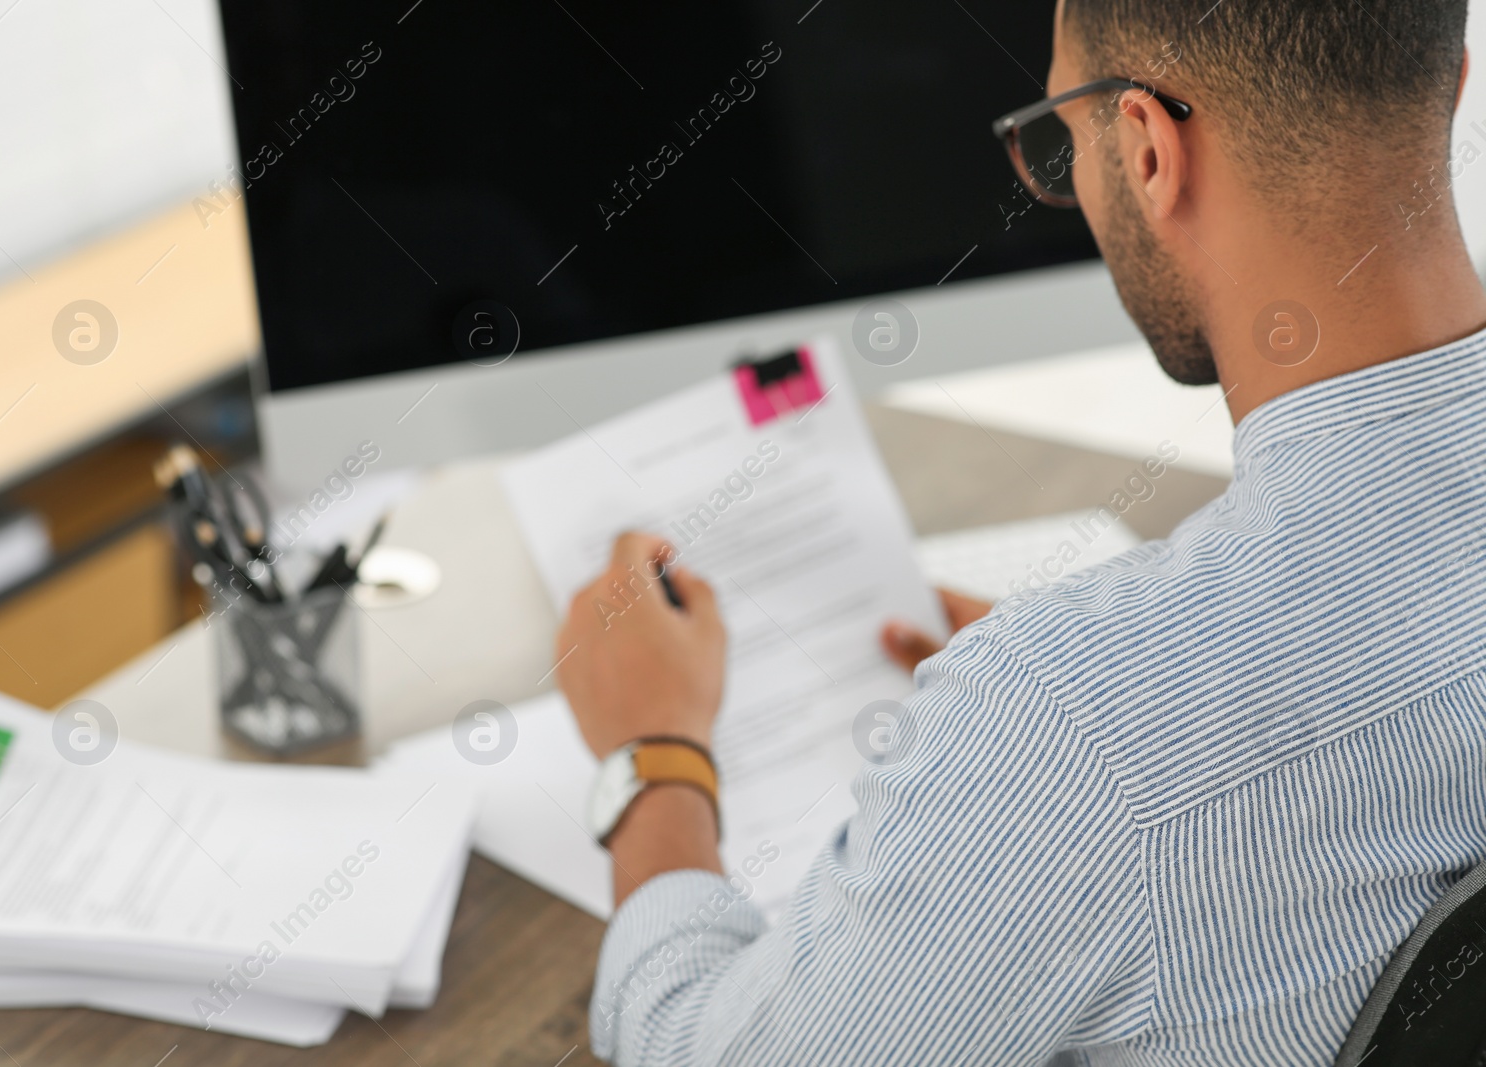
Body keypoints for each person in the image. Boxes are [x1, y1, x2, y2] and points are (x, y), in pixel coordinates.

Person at [554, 0, 1486, 1061]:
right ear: (1450, 87)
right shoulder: (1085, 717)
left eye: (1063, 137)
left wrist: (654, 756)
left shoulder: (1073, 727)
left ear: (1145, 147)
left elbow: (693, 1045)